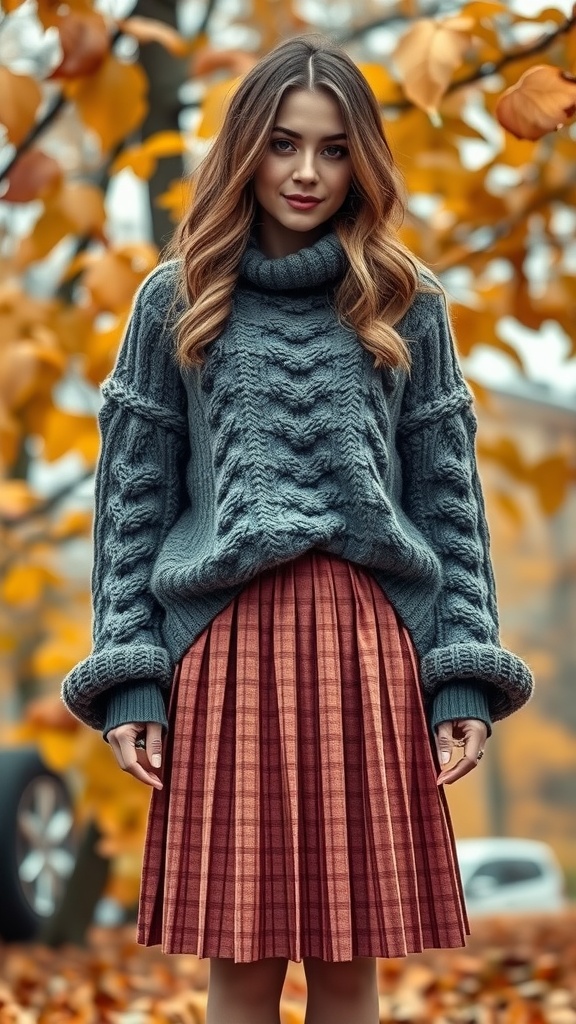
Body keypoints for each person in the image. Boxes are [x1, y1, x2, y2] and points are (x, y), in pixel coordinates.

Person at [62, 33, 534, 1024]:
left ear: (362, 156)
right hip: (221, 655)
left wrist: (460, 672)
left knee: (347, 967)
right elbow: (132, 503)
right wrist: (131, 671)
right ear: (245, 151)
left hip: (368, 652)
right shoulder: (175, 300)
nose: (308, 172)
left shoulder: (406, 301)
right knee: (239, 963)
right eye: (282, 145)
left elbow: (449, 499)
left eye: (331, 148)